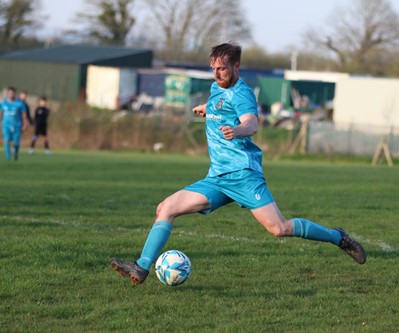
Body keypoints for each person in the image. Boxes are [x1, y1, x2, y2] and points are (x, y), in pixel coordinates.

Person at [109, 43, 366, 286]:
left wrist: (239, 130)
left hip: (244, 175)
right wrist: (206, 108)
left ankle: (338, 237)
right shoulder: (216, 88)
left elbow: (251, 122)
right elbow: (221, 104)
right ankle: (141, 267)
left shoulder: (243, 93)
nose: (217, 73)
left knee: (279, 228)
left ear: (236, 67)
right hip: (217, 178)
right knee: (166, 207)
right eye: (213, 68)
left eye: (222, 68)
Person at [0, 87, 28, 161]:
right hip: (6, 125)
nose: (11, 94)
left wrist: (25, 124)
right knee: (7, 140)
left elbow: (24, 115)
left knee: (16, 142)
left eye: (12, 93)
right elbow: (1, 113)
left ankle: (15, 154)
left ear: (15, 93)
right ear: (7, 94)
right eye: (9, 93)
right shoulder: (3, 103)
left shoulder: (20, 104)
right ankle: (8, 158)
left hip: (17, 126)